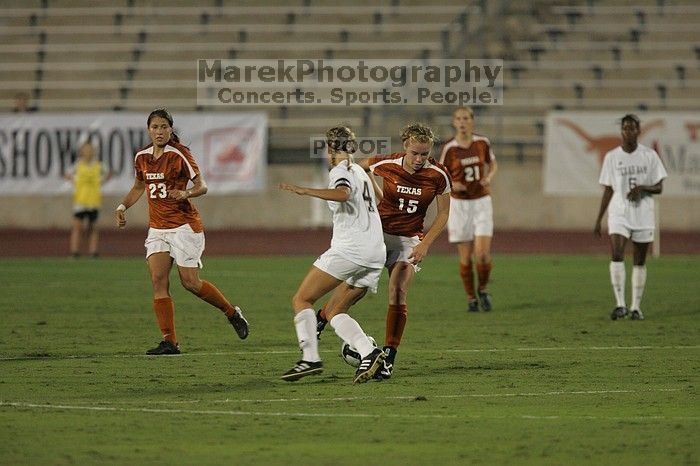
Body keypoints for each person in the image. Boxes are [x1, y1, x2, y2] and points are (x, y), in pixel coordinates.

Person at [317, 123, 451, 380]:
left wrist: (425, 244)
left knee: (398, 290)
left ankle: (388, 356)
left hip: (409, 241)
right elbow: (358, 168)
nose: (419, 159)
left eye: (424, 154)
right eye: (415, 153)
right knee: (354, 291)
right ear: (405, 147)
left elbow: (444, 213)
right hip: (378, 236)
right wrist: (375, 197)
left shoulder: (438, 175)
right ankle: (322, 316)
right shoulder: (387, 163)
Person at [115, 108, 249, 355]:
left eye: (163, 127)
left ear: (170, 129)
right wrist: (123, 206)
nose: (159, 131)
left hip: (184, 227)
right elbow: (138, 186)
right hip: (157, 228)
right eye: (154, 127)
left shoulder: (179, 154)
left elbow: (202, 185)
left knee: (190, 283)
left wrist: (186, 192)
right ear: (148, 129)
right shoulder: (142, 156)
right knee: (158, 280)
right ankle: (170, 342)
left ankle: (231, 312)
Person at [279, 126, 386, 384]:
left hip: (351, 250)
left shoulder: (340, 171)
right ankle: (368, 352)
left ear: (329, 149)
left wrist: (306, 191)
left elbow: (343, 193)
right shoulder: (360, 170)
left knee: (302, 299)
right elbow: (381, 200)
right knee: (336, 311)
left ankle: (310, 358)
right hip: (375, 252)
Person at [594, 114, 667, 321]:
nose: (628, 131)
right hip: (619, 213)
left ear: (638, 130)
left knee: (639, 260)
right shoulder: (612, 157)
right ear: (621, 131)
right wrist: (599, 218)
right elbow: (608, 189)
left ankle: (636, 307)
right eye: (625, 128)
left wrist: (643, 188)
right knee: (617, 254)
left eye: (632, 128)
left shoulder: (649, 156)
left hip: (643, 214)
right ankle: (620, 305)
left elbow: (659, 186)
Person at [439, 107, 498, 312]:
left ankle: (482, 289)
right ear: (454, 122)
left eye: (466, 118)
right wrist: (453, 184)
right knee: (465, 257)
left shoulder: (482, 142)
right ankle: (471, 298)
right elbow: (440, 175)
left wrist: (488, 178)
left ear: (472, 121)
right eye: (458, 119)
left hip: (481, 201)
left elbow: (492, 165)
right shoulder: (449, 148)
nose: (462, 122)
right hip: (460, 205)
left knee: (482, 254)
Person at [64, 141, 112, 258]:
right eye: (86, 150)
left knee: (93, 227)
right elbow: (67, 174)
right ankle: (75, 251)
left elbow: (109, 173)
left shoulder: (98, 165)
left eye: (90, 150)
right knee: (77, 227)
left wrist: (102, 181)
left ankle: (93, 251)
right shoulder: (78, 165)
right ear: (81, 152)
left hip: (93, 200)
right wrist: (74, 181)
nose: (88, 152)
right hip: (80, 200)